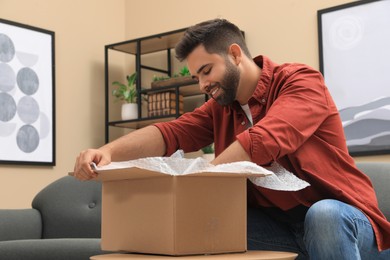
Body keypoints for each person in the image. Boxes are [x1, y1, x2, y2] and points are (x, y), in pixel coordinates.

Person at [73, 18, 390, 259]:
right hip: (280, 227)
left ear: (235, 54)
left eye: (206, 70)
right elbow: (170, 133)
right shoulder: (218, 109)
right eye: (196, 76)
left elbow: (264, 139)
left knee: (323, 217)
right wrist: (106, 151)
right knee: (202, 226)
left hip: (346, 223)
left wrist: (194, 183)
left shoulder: (301, 80)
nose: (201, 84)